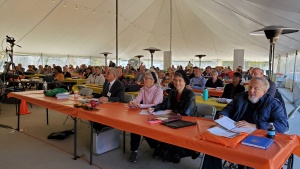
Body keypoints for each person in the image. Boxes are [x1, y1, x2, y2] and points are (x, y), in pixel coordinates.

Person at [202, 77, 288, 169]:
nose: (251, 91)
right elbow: (228, 109)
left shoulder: (273, 104)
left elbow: (282, 125)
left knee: (251, 157)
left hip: (256, 138)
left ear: (264, 91)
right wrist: (222, 115)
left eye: (256, 88)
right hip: (234, 133)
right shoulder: (240, 97)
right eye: (250, 87)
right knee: (212, 146)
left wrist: (255, 125)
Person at [148, 70, 198, 163]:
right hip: (173, 120)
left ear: (185, 82)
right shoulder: (172, 92)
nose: (177, 83)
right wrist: (154, 108)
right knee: (149, 127)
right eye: (175, 80)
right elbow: (164, 104)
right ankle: (160, 147)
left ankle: (190, 150)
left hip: (187, 123)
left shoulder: (190, 94)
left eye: (180, 80)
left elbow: (186, 112)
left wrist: (172, 110)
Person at [128, 70, 163, 163]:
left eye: (147, 78)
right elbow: (138, 99)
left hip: (156, 114)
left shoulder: (158, 90)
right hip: (144, 114)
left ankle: (157, 147)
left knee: (145, 129)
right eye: (145, 78)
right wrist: (134, 102)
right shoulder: (143, 89)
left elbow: (155, 105)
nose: (145, 80)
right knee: (135, 127)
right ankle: (134, 151)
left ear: (153, 81)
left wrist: (141, 105)